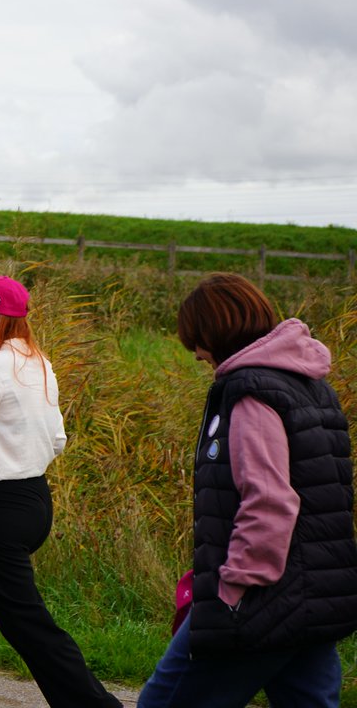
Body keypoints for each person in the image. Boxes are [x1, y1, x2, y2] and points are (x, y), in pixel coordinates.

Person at [137, 273, 357, 708]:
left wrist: (230, 590)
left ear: (216, 331)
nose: (198, 354)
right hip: (315, 596)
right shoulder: (312, 387)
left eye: (197, 341)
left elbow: (270, 504)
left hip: (260, 601)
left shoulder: (251, 393)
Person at [0, 275, 120, 708]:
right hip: (33, 501)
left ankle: (95, 705)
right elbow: (57, 441)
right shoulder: (41, 364)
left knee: (26, 623)